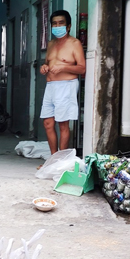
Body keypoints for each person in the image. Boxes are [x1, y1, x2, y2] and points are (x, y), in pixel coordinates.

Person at [39, 10, 86, 153]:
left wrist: (63, 67)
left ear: (68, 26)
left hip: (66, 86)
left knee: (63, 124)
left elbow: (82, 68)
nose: (57, 26)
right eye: (54, 23)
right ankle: (54, 158)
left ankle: (61, 159)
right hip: (50, 86)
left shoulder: (75, 43)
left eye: (61, 23)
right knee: (48, 123)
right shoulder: (51, 44)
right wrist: (44, 67)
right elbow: (47, 62)